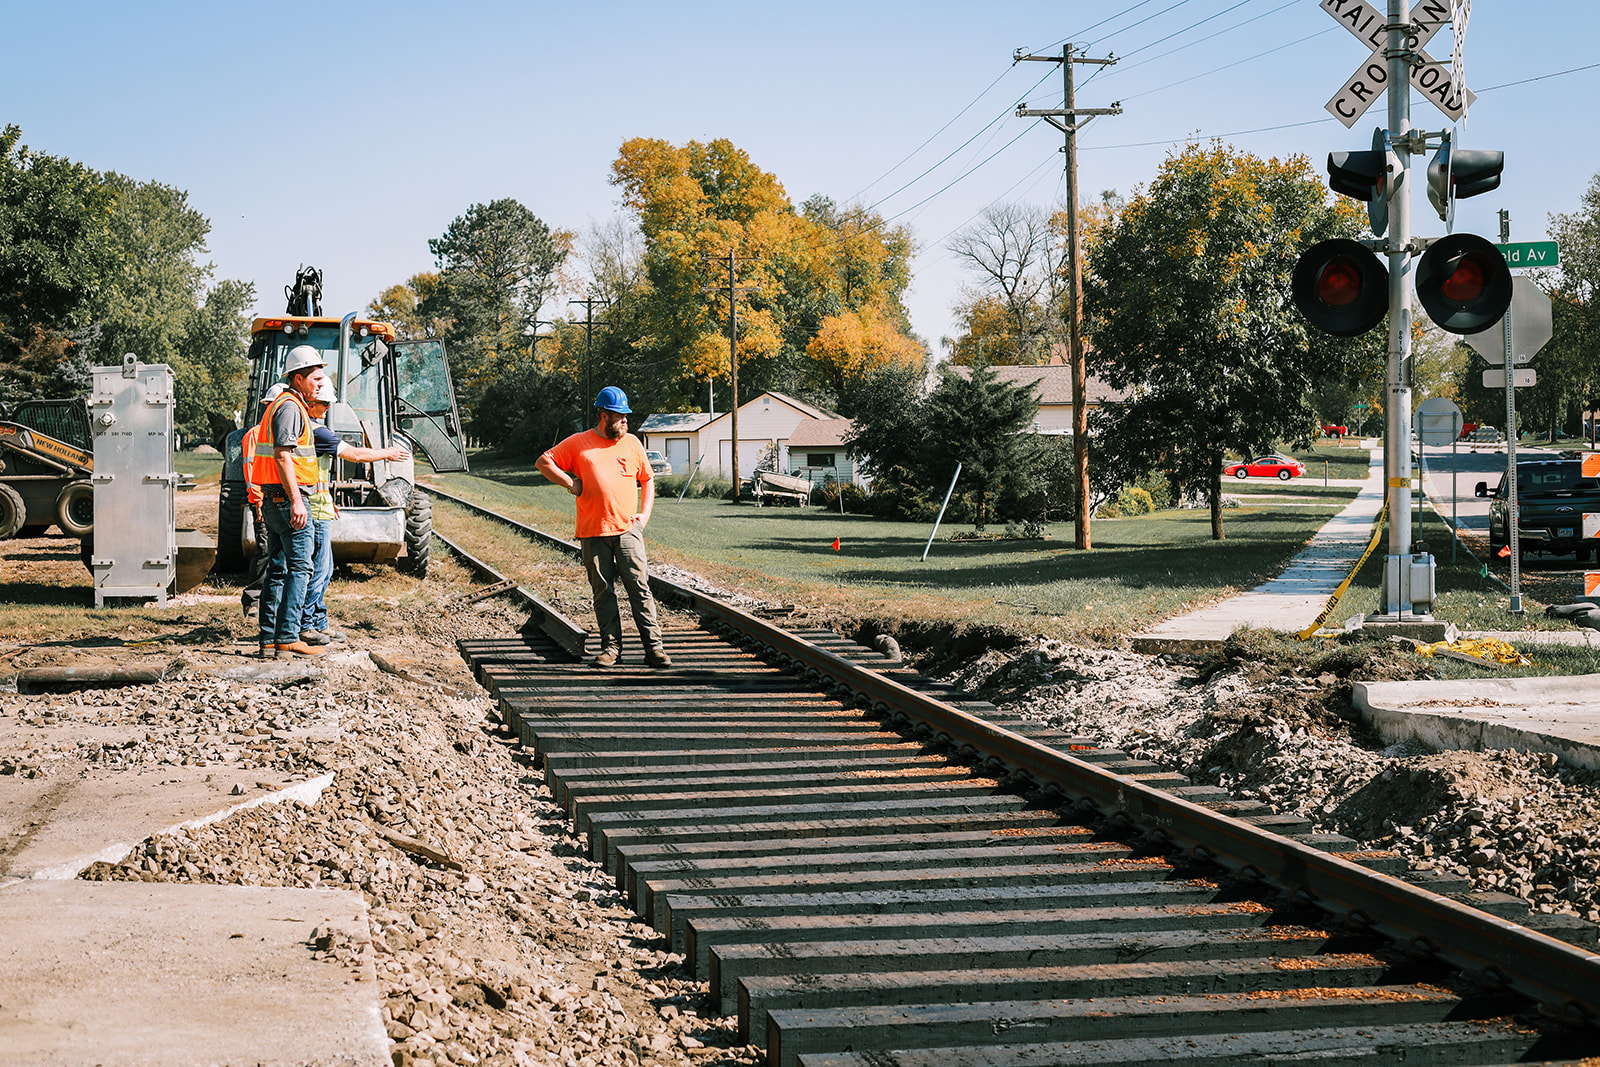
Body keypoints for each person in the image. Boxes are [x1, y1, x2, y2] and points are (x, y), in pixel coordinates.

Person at [535, 386, 671, 668]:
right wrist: (570, 483)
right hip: (593, 531)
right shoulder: (579, 443)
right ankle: (611, 649)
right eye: (619, 416)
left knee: (640, 588)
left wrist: (643, 516)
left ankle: (654, 648)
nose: (625, 421)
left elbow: (647, 479)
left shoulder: (633, 443)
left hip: (627, 529)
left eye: (625, 417)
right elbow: (544, 461)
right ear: (604, 415)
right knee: (603, 592)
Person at [296, 377, 412, 645]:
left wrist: (326, 497)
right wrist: (388, 453)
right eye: (323, 404)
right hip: (315, 510)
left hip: (320, 505)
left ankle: (318, 620)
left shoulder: (308, 429)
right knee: (320, 570)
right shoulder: (317, 432)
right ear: (310, 403)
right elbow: (356, 456)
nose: (327, 409)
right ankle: (308, 624)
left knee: (323, 568)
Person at [249, 345, 328, 658]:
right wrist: (297, 501)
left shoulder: (282, 404)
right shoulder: (291, 407)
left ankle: (269, 640)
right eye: (316, 379)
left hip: (273, 500)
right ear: (298, 379)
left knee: (279, 569)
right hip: (288, 501)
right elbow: (283, 455)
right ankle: (288, 636)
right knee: (300, 568)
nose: (321, 384)